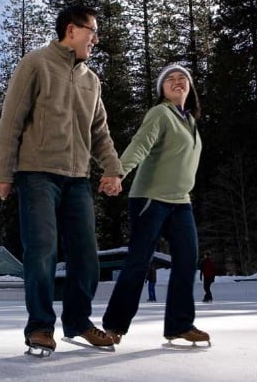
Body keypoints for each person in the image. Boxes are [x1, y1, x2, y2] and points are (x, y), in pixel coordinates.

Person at [0, 5, 123, 352]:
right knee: (43, 250)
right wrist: (2, 172)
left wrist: (112, 168)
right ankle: (39, 326)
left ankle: (78, 322)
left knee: (85, 254)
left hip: (77, 178)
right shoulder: (36, 63)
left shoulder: (91, 81)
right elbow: (12, 121)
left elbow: (100, 133)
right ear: (72, 30)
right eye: (92, 30)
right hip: (36, 174)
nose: (95, 38)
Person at [102, 64, 210, 346]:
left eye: (182, 78)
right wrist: (118, 172)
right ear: (161, 89)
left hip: (180, 202)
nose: (176, 81)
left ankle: (179, 325)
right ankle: (114, 325)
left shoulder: (190, 121)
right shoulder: (160, 113)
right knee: (139, 262)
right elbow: (141, 143)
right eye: (169, 79)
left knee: (187, 260)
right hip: (150, 198)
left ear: (190, 87)